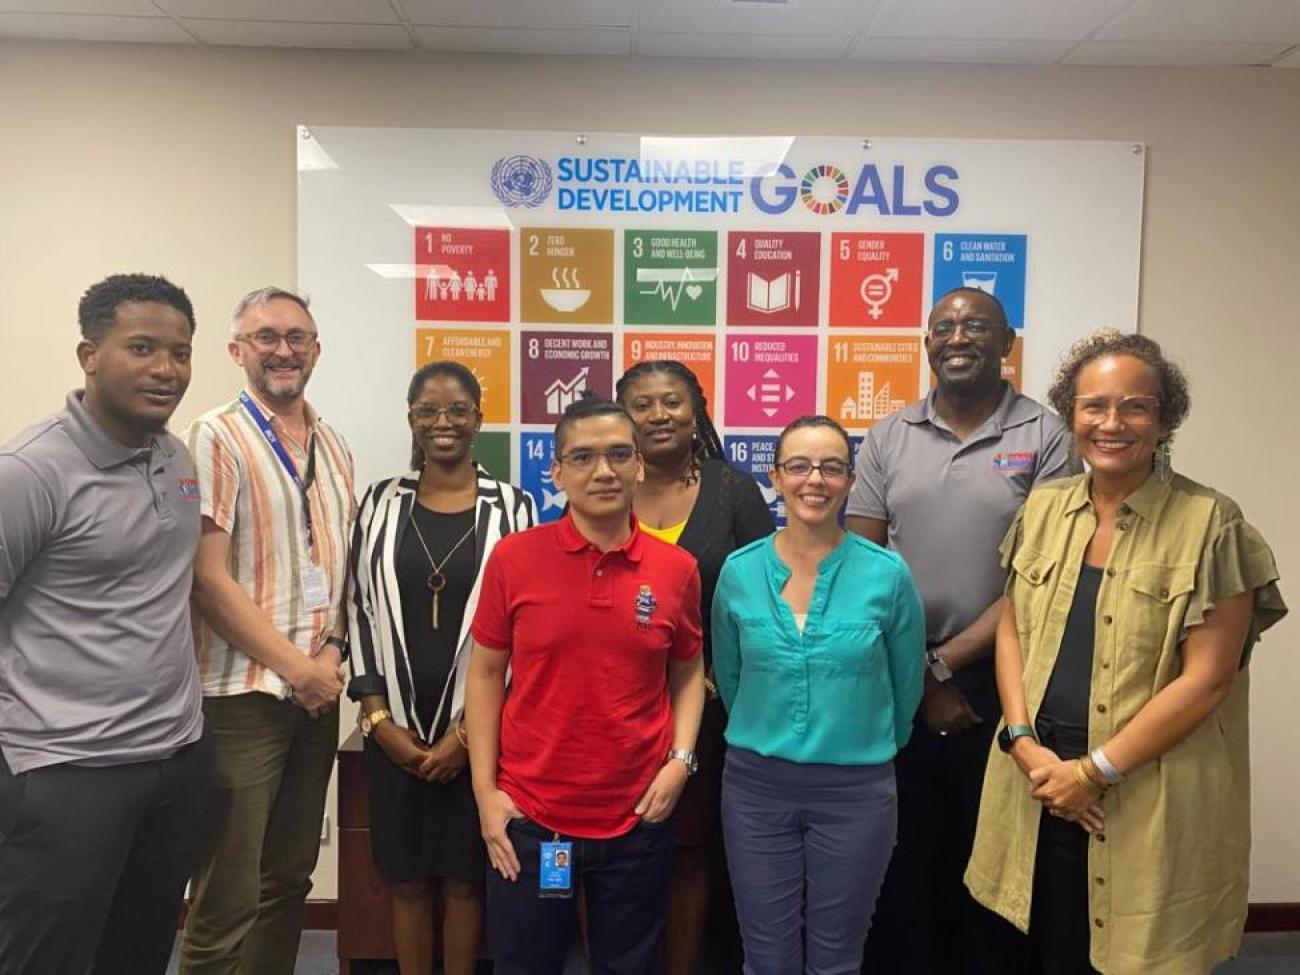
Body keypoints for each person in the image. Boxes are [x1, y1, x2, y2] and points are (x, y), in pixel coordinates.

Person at [965, 330, 1287, 974]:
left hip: (1142, 787)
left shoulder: (1212, 523)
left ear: (1164, 418)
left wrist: (1093, 771)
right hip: (1037, 777)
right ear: (1071, 414)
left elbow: (1208, 681)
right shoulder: (1047, 506)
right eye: (1094, 406)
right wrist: (1025, 741)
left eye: (1135, 407)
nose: (1112, 423)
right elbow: (1013, 627)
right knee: (1038, 945)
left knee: (1133, 957)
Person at [848, 286, 1077, 973]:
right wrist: (918, 672)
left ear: (1006, 344)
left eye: (976, 325)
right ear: (926, 343)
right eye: (943, 326)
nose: (957, 336)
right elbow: (861, 562)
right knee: (904, 858)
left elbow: (1040, 576)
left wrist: (943, 667)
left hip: (1004, 676)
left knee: (993, 862)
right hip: (898, 673)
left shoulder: (1047, 435)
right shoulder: (891, 433)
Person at [0, 274, 212, 974]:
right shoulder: (31, 471)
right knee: (47, 957)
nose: (166, 369)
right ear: (89, 354)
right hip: (66, 773)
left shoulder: (175, 457)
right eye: (143, 347)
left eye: (179, 352)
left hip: (172, 762)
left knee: (139, 952)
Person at [465, 395, 706, 975]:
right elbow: (485, 673)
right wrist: (486, 796)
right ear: (557, 472)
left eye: (620, 454)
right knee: (528, 964)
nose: (604, 471)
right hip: (532, 815)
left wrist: (680, 762)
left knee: (629, 964)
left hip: (637, 817)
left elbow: (689, 671)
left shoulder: (676, 570)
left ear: (640, 465)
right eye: (584, 457)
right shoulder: (514, 559)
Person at [181, 286, 356, 973]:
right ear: (237, 350)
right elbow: (206, 576)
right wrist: (299, 666)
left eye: (297, 337)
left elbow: (337, 566)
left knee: (287, 880)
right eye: (266, 337)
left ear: (316, 349)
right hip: (240, 698)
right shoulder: (213, 436)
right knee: (226, 893)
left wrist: (332, 654)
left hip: (315, 695)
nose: (283, 350)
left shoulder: (335, 444)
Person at [713, 414, 926, 974]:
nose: (816, 480)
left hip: (856, 791)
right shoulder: (738, 572)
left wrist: (861, 742)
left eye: (832, 467)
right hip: (756, 788)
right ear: (775, 477)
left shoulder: (888, 574)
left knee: (837, 957)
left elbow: (906, 687)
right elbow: (730, 679)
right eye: (799, 466)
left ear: (852, 481)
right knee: (766, 956)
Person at [346, 361, 536, 975]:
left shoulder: (514, 507)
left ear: (479, 419)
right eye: (428, 410)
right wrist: (378, 720)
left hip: (478, 737)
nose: (443, 422)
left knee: (463, 880)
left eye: (458, 410)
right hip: (391, 730)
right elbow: (358, 609)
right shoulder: (378, 503)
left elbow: (525, 625)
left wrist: (466, 735)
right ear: (411, 419)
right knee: (405, 879)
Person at [615, 359, 774, 975]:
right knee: (611, 844)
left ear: (697, 409)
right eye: (643, 403)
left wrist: (713, 677)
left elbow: (763, 596)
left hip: (711, 707)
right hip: (614, 705)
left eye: (673, 402)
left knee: (689, 849)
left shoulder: (732, 490)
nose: (659, 415)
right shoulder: (605, 481)